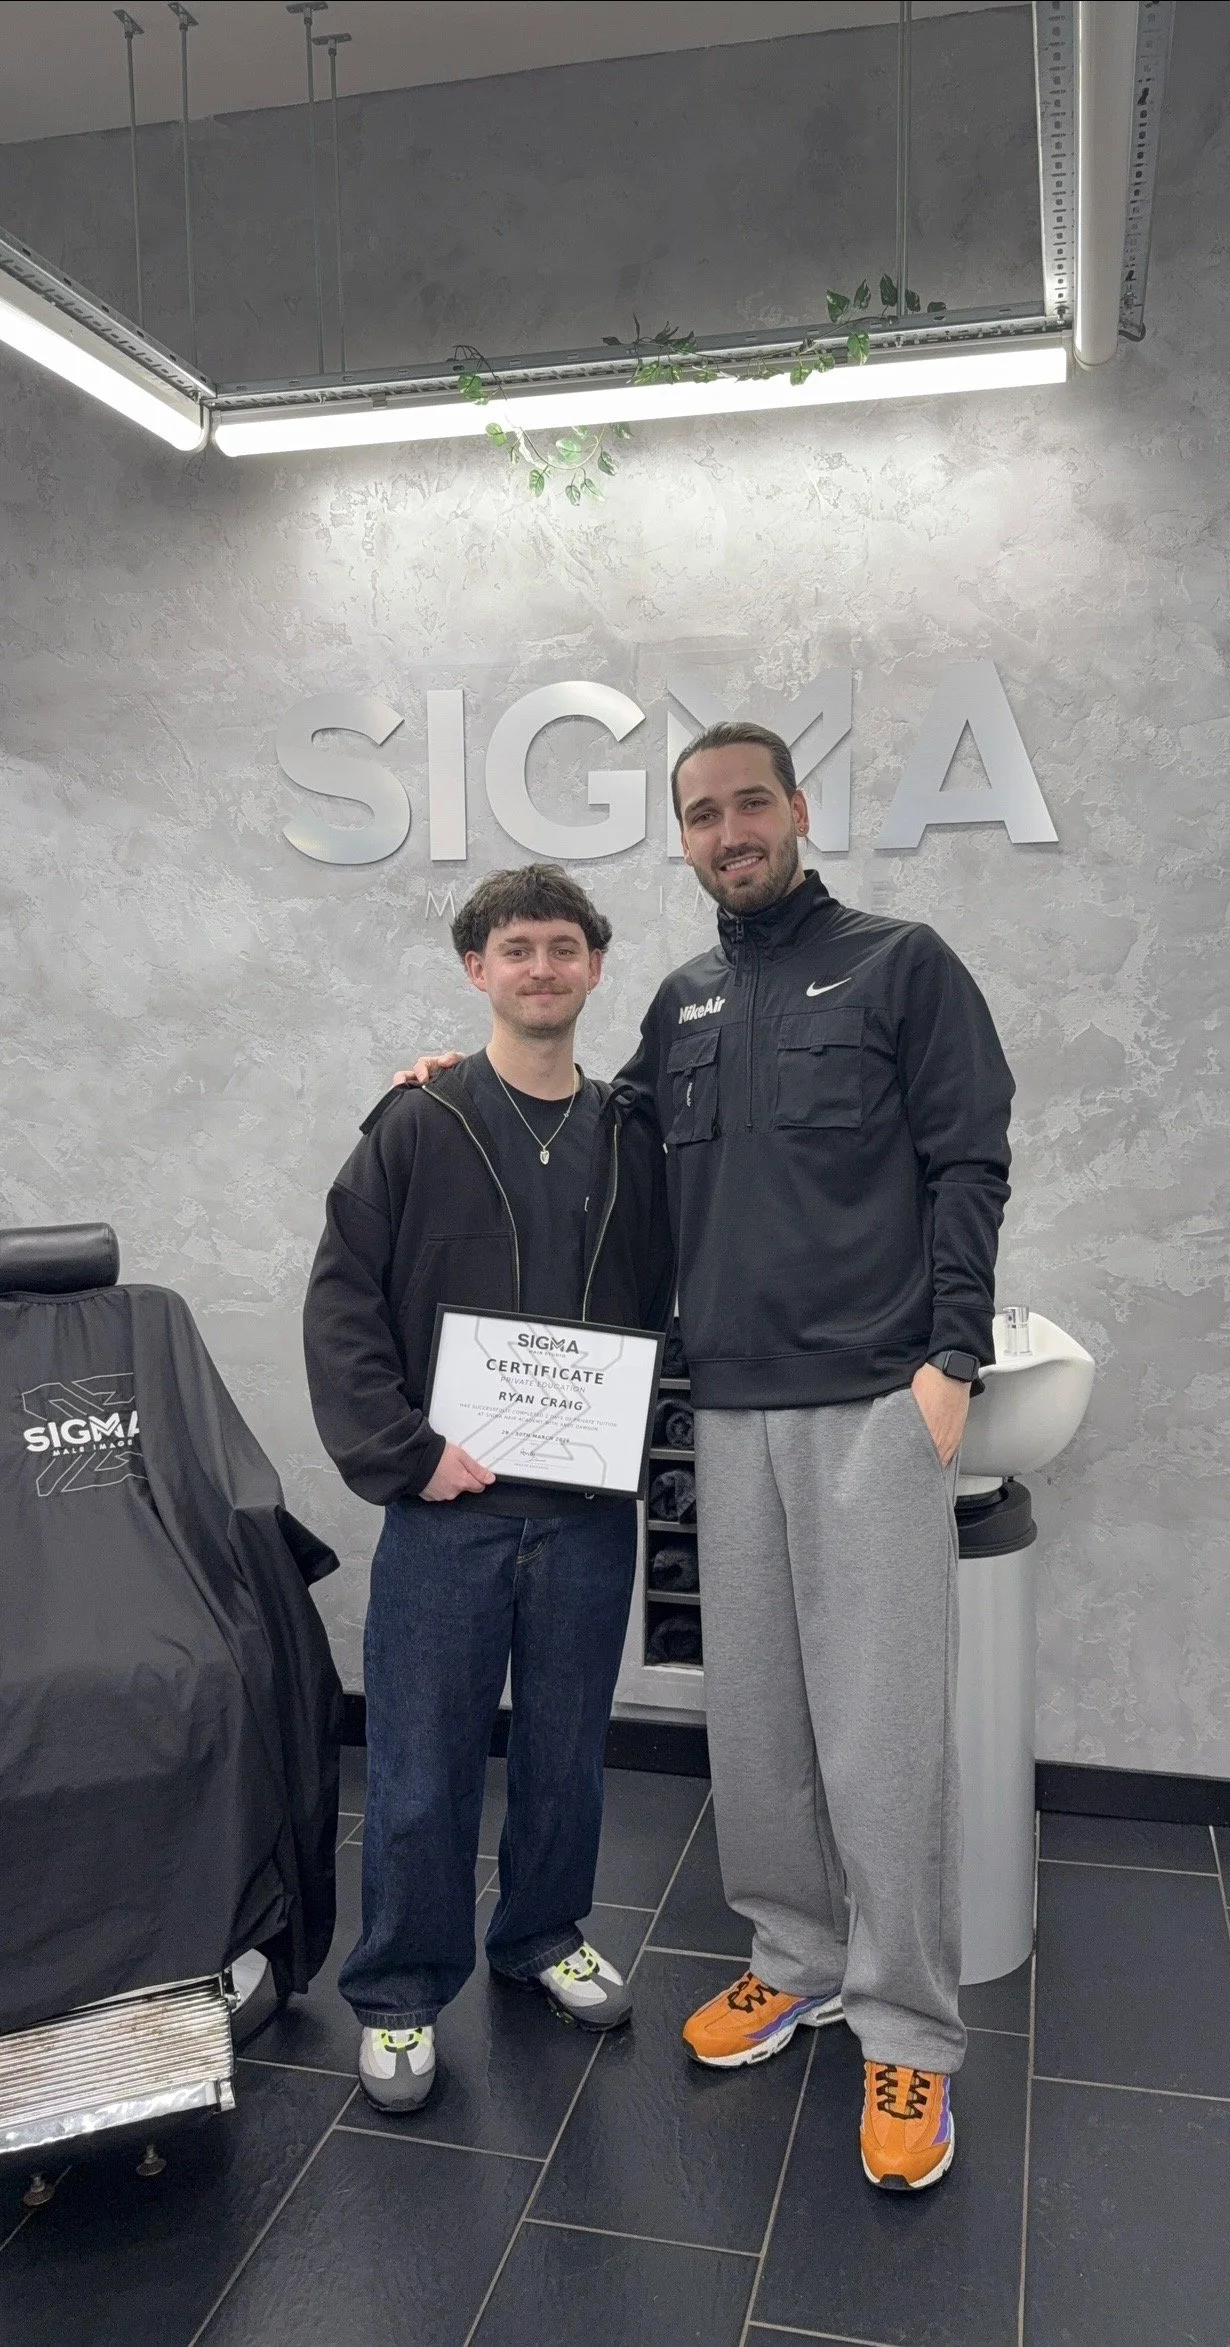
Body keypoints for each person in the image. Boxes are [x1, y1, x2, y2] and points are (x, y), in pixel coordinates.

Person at [399, 723, 1013, 2189]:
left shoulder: (900, 962)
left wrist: (952, 1360)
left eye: (750, 802)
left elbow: (970, 1156)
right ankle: (794, 1956)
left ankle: (912, 2037)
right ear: (680, 839)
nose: (728, 829)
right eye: (700, 814)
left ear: (796, 809)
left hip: (873, 1397)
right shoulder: (675, 1001)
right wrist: (464, 1081)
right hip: (719, 1410)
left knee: (880, 1731)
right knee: (758, 1720)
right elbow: (589, 1132)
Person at [304, 864, 673, 2116]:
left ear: (594, 967)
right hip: (447, 1512)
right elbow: (343, 1306)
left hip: (582, 1519)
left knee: (567, 1755)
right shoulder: (418, 1121)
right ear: (478, 969)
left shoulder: (635, 1133)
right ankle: (403, 1991)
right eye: (516, 949)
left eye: (563, 948)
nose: (541, 969)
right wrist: (408, 1451)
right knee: (417, 1762)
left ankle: (542, 1934)